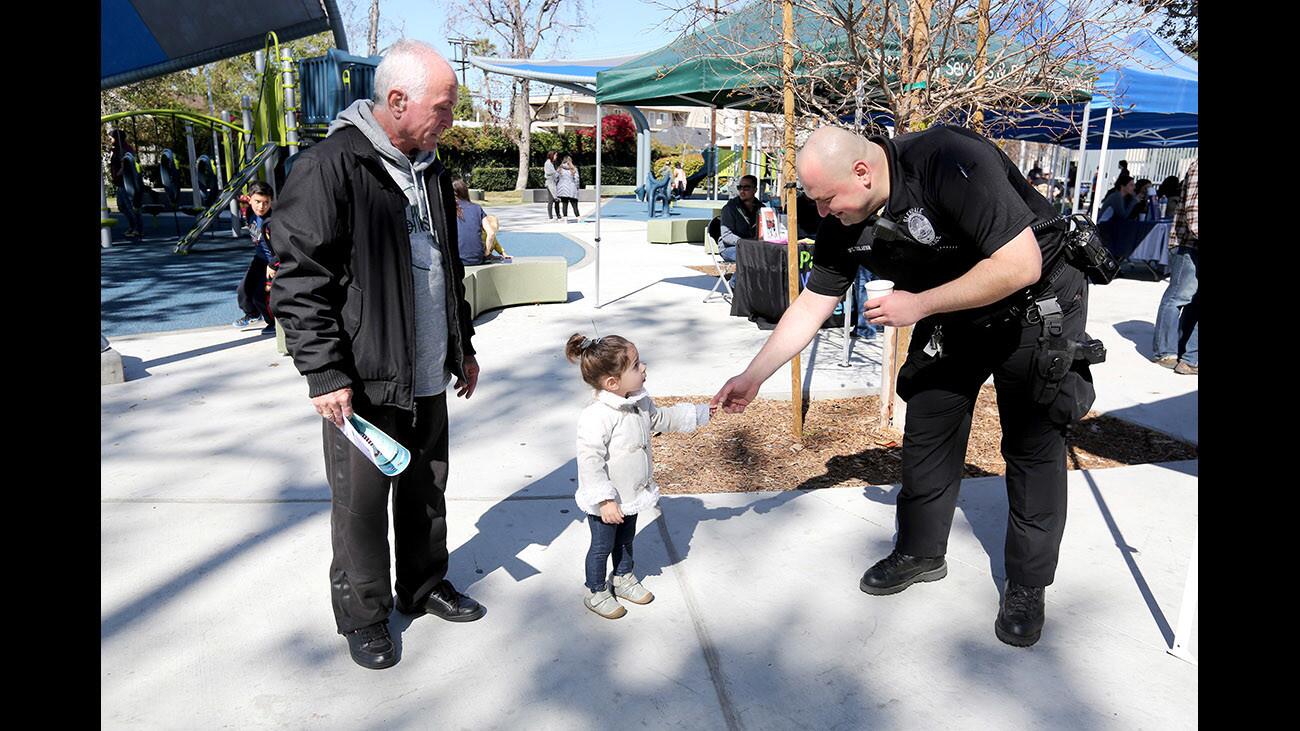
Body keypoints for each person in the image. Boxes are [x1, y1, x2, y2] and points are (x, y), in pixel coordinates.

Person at [713, 125, 1095, 648]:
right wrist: (753, 377)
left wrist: (917, 306)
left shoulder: (948, 159)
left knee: (1031, 444)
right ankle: (920, 550)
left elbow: (1018, 264)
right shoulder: (842, 214)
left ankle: (1028, 583)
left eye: (826, 200)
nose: (822, 213)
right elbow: (812, 302)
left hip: (1035, 301)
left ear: (863, 172)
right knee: (930, 422)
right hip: (955, 307)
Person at [269, 40, 485, 671]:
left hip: (426, 370)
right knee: (362, 507)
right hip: (361, 382)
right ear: (397, 100)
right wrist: (324, 372)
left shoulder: (433, 170)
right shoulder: (331, 166)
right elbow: (299, 280)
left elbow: (446, 267)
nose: (449, 117)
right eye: (442, 106)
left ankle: (421, 587)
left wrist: (461, 346)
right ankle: (364, 616)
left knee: (426, 487)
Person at [565, 333, 711, 619]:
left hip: (631, 494)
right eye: (635, 366)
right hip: (606, 501)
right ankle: (596, 591)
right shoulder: (597, 416)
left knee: (626, 540)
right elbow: (590, 461)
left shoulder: (639, 402)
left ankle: (622, 577)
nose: (643, 368)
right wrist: (605, 500)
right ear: (612, 382)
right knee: (601, 546)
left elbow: (661, 419)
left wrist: (702, 413)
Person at [1151, 159, 1198, 375]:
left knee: (1193, 301)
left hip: (1191, 244)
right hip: (1187, 243)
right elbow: (1193, 210)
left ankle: (1184, 352)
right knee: (1179, 296)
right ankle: (1165, 351)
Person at [233, 181, 279, 333]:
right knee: (243, 289)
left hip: (273, 262)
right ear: (250, 199)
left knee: (261, 294)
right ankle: (252, 314)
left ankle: (273, 322)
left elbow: (283, 247)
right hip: (259, 259)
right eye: (257, 201)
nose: (261, 206)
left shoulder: (273, 221)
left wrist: (273, 264)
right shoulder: (250, 213)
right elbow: (242, 202)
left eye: (266, 202)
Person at [452, 179, 507, 266]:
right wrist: (487, 252)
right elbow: (491, 233)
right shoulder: (477, 208)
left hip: (456, 260)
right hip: (477, 258)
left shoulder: (447, 210)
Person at [108, 130, 144, 238]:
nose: (110, 140)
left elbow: (127, 164)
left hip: (126, 182)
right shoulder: (116, 150)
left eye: (111, 138)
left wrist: (119, 173)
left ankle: (138, 229)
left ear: (117, 138)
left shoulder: (124, 150)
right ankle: (133, 226)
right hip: (119, 182)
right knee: (121, 206)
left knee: (130, 206)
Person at [718, 174, 761, 262]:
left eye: (746, 188)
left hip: (753, 246)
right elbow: (727, 237)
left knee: (769, 255)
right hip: (729, 248)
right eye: (739, 187)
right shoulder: (730, 208)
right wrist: (748, 242)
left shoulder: (761, 208)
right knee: (750, 258)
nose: (742, 191)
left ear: (755, 190)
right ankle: (737, 276)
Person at [544, 151, 562, 220]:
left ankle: (558, 215)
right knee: (551, 200)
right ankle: (550, 217)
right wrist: (556, 172)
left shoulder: (552, 163)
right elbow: (549, 173)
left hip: (554, 184)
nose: (556, 157)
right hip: (550, 184)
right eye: (555, 155)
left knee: (556, 200)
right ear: (552, 155)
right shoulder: (547, 163)